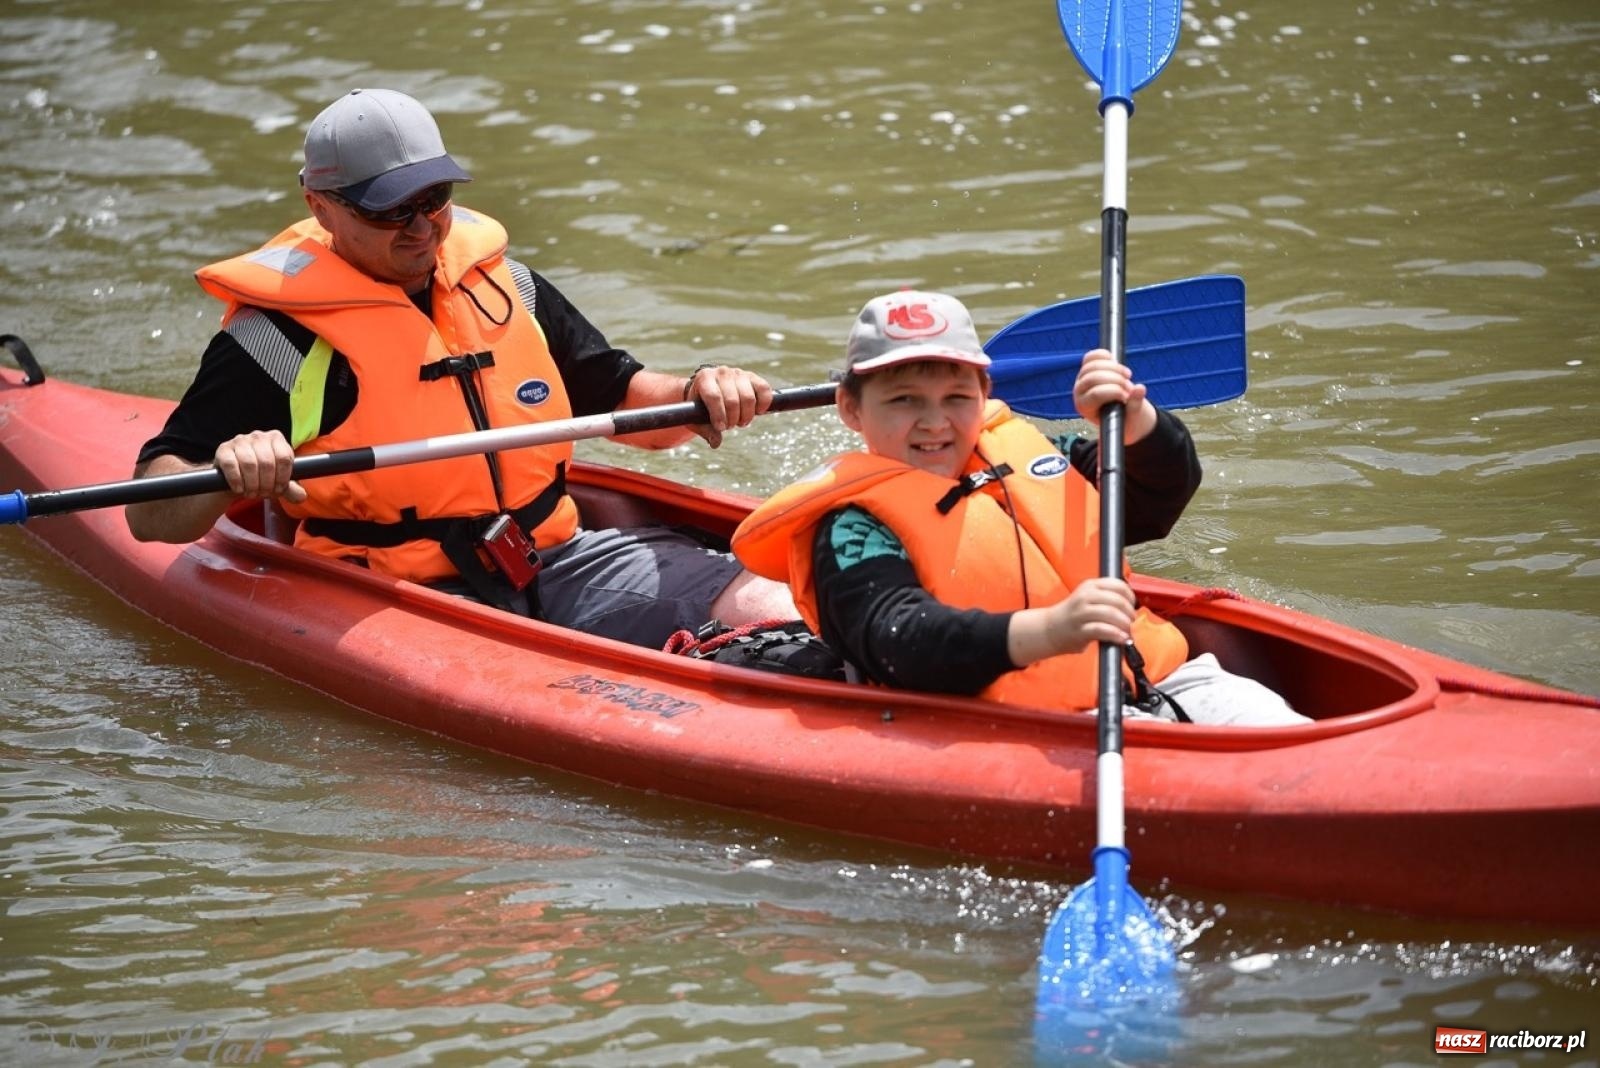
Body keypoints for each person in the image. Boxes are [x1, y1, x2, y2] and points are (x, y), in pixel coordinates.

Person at [127, 87, 796, 647]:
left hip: (554, 555)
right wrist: (227, 471)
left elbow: (627, 401)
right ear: (320, 207)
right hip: (399, 593)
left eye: (434, 197)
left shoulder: (508, 285)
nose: (421, 227)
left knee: (774, 608)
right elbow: (152, 515)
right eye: (389, 210)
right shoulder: (277, 338)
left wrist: (700, 388)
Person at [731, 289, 1309, 726]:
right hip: (1013, 726)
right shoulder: (854, 524)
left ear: (984, 396)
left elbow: (1153, 501)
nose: (934, 421)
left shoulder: (1038, 458)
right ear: (851, 410)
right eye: (904, 400)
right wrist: (1050, 631)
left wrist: (1137, 424)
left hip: (1165, 679)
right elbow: (898, 639)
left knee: (1286, 737)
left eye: (956, 398)